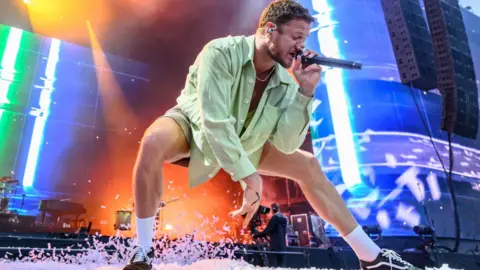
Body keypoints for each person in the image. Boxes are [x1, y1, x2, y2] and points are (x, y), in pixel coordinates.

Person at [124, 1, 418, 269]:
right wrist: (248, 174)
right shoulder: (220, 52)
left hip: (245, 141)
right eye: (296, 37)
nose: (301, 46)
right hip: (194, 128)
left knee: (308, 166)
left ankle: (372, 258)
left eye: (304, 39)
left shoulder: (284, 80)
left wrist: (304, 90)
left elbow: (286, 144)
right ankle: (143, 252)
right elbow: (213, 119)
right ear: (269, 30)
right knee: (152, 142)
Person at [253, 203, 288, 268]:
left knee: (275, 266)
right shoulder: (284, 219)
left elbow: (266, 231)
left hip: (275, 246)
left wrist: (256, 234)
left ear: (273, 210)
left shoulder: (275, 218)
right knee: (281, 266)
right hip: (282, 246)